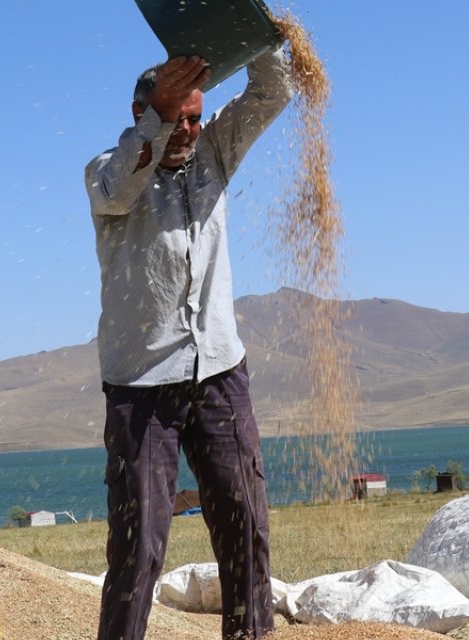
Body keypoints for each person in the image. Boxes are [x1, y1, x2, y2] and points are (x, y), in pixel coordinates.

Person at [84, 43, 293, 640]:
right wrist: (162, 116)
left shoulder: (213, 156)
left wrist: (261, 38)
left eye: (197, 118)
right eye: (179, 117)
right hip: (142, 386)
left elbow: (269, 94)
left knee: (245, 526)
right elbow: (122, 187)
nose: (189, 131)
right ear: (140, 111)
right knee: (139, 547)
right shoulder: (106, 171)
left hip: (221, 374)